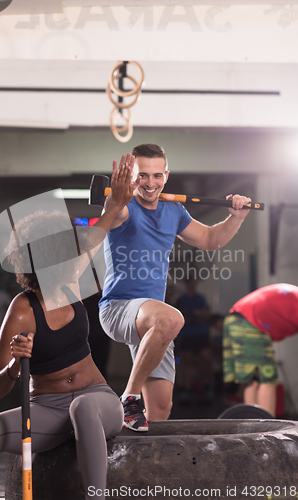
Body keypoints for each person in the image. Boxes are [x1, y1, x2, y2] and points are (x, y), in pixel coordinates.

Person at [0, 162, 134, 500]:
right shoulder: (23, 310)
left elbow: (96, 234)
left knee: (83, 408)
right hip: (47, 410)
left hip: (98, 401)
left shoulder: (69, 280)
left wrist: (114, 204)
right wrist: (15, 366)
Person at [99, 143, 252, 431]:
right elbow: (111, 215)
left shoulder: (174, 210)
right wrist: (115, 201)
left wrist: (236, 217)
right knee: (172, 318)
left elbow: (210, 240)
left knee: (159, 409)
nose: (150, 183)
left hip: (154, 321)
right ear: (130, 177)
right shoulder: (124, 207)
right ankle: (129, 398)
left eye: (157, 176)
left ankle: (132, 464)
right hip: (118, 308)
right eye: (142, 176)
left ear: (166, 176)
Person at [223, 283, 298, 417]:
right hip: (249, 322)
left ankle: (253, 426)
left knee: (253, 378)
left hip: (238, 318)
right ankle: (267, 430)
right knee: (267, 377)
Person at [175, 277, 214, 403]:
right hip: (187, 334)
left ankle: (207, 384)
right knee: (187, 360)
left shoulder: (200, 298)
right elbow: (180, 315)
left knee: (206, 358)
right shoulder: (181, 300)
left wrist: (200, 316)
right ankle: (187, 388)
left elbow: (205, 313)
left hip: (201, 333)